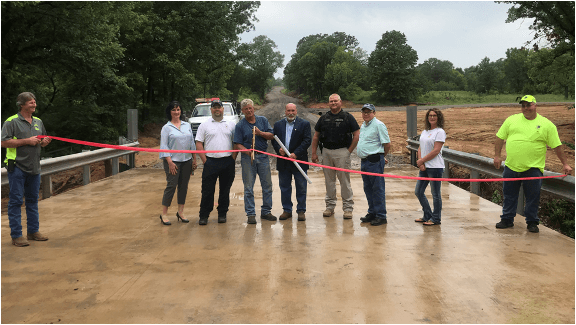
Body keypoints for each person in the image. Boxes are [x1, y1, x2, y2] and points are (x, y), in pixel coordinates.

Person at [493, 95, 572, 233]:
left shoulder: (547, 124)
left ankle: (532, 222)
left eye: (528, 105)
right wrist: (497, 156)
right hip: (511, 166)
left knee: (533, 197)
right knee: (509, 195)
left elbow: (557, 146)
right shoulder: (512, 120)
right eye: (523, 105)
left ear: (535, 105)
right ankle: (507, 219)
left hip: (533, 168)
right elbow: (500, 137)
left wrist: (565, 164)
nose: (525, 108)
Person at [1, 92, 52, 247]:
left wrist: (43, 143)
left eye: (34, 102)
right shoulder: (12, 122)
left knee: (32, 200)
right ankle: (16, 235)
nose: (34, 104)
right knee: (16, 201)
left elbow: (40, 140)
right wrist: (26, 141)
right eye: (30, 102)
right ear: (21, 105)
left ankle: (33, 231)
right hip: (17, 166)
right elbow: (3, 142)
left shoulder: (38, 121)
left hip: (34, 166)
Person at [311, 93, 360, 219]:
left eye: (335, 101)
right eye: (331, 101)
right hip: (326, 152)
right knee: (329, 181)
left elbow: (356, 134)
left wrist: (349, 151)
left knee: (344, 181)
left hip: (342, 152)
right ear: (328, 103)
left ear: (340, 102)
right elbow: (316, 136)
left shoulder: (348, 117)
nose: (333, 103)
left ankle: (348, 208)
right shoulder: (323, 118)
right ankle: (330, 207)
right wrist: (314, 152)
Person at [234, 99, 276, 224]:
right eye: (246, 109)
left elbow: (271, 135)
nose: (248, 110)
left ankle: (266, 212)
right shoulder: (240, 125)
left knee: (267, 186)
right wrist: (248, 152)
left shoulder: (262, 120)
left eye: (250, 108)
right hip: (248, 159)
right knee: (248, 187)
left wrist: (260, 133)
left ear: (253, 108)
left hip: (263, 157)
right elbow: (238, 144)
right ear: (242, 111)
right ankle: (251, 214)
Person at [195, 100, 237, 225]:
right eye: (214, 108)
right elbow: (199, 143)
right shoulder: (204, 125)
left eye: (219, 107)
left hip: (227, 161)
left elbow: (236, 143)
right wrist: (205, 161)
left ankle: (222, 214)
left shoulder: (231, 124)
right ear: (211, 110)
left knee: (225, 190)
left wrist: (232, 159)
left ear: (223, 109)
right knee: (207, 190)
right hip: (210, 162)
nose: (217, 110)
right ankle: (204, 215)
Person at [159, 101, 197, 225]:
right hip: (173, 161)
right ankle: (164, 213)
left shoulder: (187, 125)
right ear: (169, 112)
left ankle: (180, 212)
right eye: (174, 110)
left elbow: (192, 143)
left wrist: (194, 159)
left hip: (186, 160)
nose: (176, 112)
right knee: (171, 185)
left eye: (178, 109)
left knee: (183, 186)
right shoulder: (166, 128)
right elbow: (164, 146)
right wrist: (169, 161)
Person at [272, 103, 312, 221]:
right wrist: (279, 150)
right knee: (284, 187)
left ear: (296, 111)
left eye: (293, 110)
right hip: (284, 162)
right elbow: (274, 140)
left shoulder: (304, 124)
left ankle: (301, 211)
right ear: (285, 112)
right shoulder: (278, 125)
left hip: (299, 161)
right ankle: (287, 210)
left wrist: (296, 153)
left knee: (301, 187)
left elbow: (307, 140)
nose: (291, 113)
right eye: (288, 110)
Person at [356, 104, 391, 226]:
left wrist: (382, 157)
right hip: (365, 161)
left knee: (377, 189)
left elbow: (387, 144)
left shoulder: (379, 125)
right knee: (368, 189)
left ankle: (381, 215)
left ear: (374, 113)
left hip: (374, 161)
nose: (366, 114)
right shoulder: (364, 125)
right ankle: (372, 212)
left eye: (368, 112)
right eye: (364, 112)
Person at [414, 108, 446, 226]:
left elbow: (436, 150)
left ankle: (436, 218)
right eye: (430, 115)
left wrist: (422, 160)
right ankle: (427, 215)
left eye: (434, 115)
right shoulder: (424, 132)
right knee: (418, 191)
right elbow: (420, 148)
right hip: (424, 167)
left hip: (435, 167)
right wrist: (420, 162)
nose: (432, 117)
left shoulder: (440, 132)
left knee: (435, 194)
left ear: (438, 118)